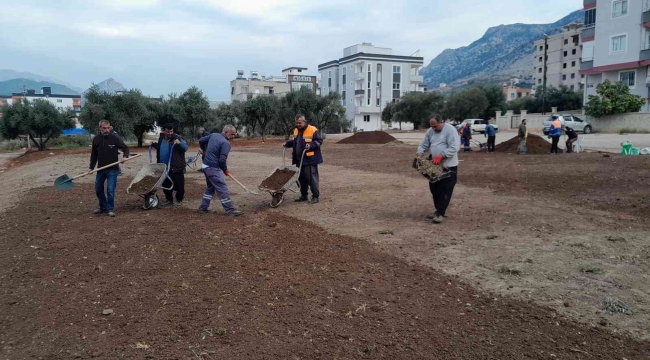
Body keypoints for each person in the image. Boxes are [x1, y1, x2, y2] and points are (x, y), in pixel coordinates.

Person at [417, 114, 460, 224]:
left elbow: (454, 147)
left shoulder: (450, 130)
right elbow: (424, 144)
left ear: (441, 122)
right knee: (434, 189)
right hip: (434, 166)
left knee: (445, 190)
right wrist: (419, 153)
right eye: (432, 126)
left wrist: (441, 155)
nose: (434, 129)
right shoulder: (430, 131)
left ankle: (441, 213)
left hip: (448, 166)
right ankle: (438, 211)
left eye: (436, 126)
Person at [197, 124, 243, 216]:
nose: (233, 136)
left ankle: (203, 207)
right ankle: (229, 209)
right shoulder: (225, 143)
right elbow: (222, 160)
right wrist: (225, 170)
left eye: (234, 134)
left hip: (205, 166)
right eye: (232, 134)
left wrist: (204, 150)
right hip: (213, 168)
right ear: (226, 132)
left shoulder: (213, 135)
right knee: (222, 188)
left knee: (210, 188)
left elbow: (201, 140)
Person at [90, 120, 130, 217]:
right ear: (100, 128)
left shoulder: (114, 138)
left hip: (112, 169)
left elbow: (125, 148)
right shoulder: (96, 139)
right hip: (100, 169)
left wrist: (125, 156)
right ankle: (103, 207)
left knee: (110, 190)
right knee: (98, 189)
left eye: (108, 127)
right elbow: (94, 154)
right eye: (104, 128)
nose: (107, 130)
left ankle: (110, 209)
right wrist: (91, 167)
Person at [284, 114, 323, 204]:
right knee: (301, 179)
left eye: (299, 123)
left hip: (309, 160)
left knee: (311, 179)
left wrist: (311, 145)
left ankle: (315, 196)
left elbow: (319, 141)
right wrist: (287, 143)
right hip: (298, 160)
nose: (298, 124)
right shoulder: (296, 130)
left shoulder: (312, 129)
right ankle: (304, 195)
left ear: (304, 122)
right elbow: (295, 142)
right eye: (296, 123)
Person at [151, 123, 188, 207]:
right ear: (164, 131)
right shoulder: (161, 138)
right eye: (168, 132)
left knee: (179, 185)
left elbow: (185, 148)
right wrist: (153, 144)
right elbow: (160, 147)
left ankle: (179, 200)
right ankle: (169, 200)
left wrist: (179, 144)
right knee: (166, 184)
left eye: (171, 131)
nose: (170, 133)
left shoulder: (177, 138)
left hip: (176, 167)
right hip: (164, 167)